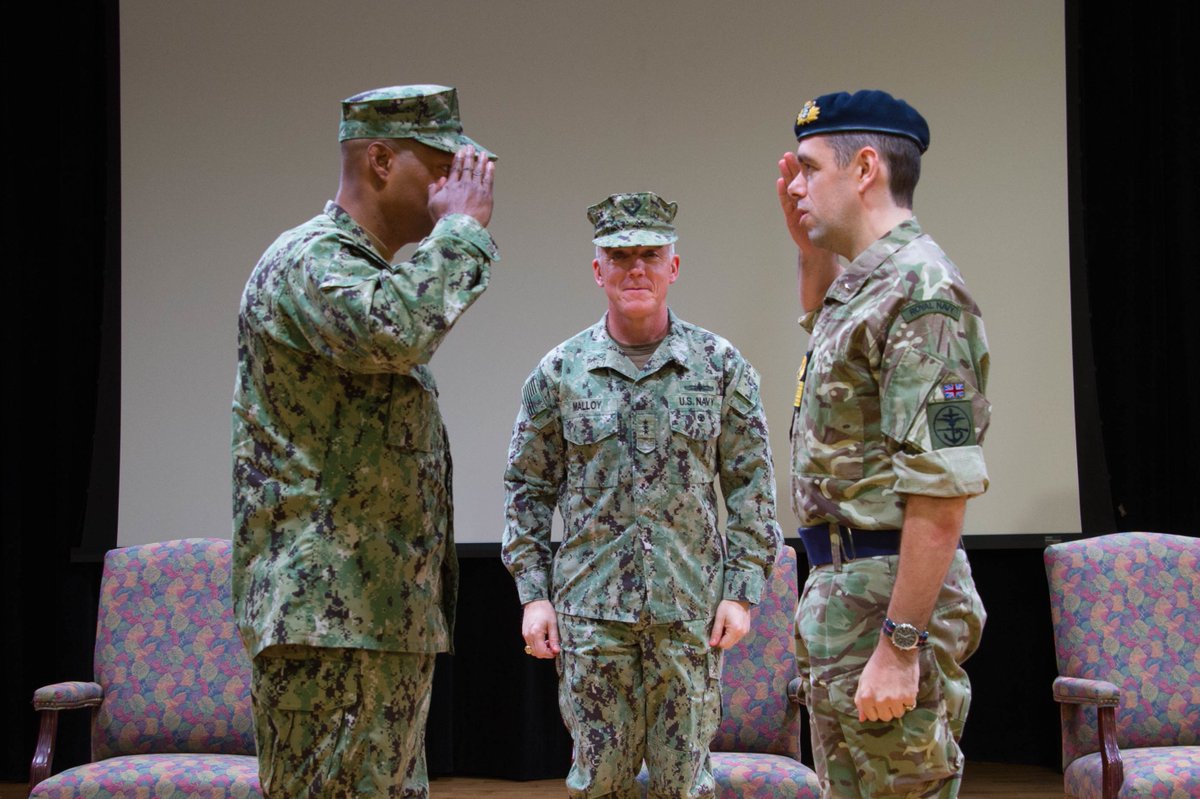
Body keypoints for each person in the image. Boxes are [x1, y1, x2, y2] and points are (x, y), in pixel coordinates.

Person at [231, 85, 497, 798]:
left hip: (372, 623)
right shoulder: (311, 262)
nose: (455, 189)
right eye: (441, 165)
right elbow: (397, 327)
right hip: (329, 627)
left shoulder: (363, 268)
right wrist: (462, 234)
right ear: (380, 159)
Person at [502, 192, 782, 799]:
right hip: (590, 615)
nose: (636, 269)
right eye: (620, 256)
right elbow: (527, 490)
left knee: (683, 785)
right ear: (597, 269)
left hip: (690, 615)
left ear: (673, 268)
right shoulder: (560, 372)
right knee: (599, 782)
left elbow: (752, 486)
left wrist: (742, 593)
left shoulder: (720, 366)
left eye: (651, 255)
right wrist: (533, 596)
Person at [777, 90, 990, 799]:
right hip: (846, 595)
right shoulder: (864, 287)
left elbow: (942, 485)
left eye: (809, 168)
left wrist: (901, 646)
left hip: (885, 604)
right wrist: (808, 250)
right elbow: (839, 372)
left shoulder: (922, 293)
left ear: (864, 167)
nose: (796, 185)